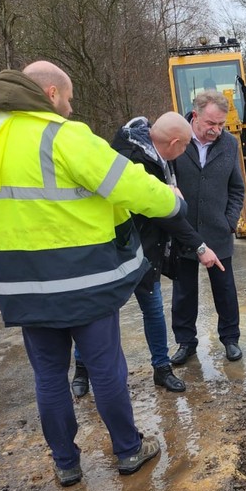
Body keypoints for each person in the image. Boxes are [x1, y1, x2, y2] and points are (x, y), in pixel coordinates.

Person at [0, 60, 193, 487]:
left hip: (20, 286)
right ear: (52, 94)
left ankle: (65, 462)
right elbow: (127, 182)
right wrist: (173, 203)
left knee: (48, 375)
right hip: (85, 282)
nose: (73, 108)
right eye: (70, 98)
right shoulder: (63, 136)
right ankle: (129, 450)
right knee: (105, 369)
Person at [69, 112, 221, 398]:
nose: (184, 153)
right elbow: (165, 215)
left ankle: (161, 368)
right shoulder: (132, 159)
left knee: (152, 308)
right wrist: (199, 244)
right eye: (184, 146)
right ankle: (82, 368)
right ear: (174, 142)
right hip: (117, 246)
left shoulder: (158, 155)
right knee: (100, 312)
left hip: (146, 247)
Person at [168, 90, 246, 365]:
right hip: (183, 230)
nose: (216, 130)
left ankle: (230, 339)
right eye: (211, 124)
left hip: (217, 230)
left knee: (225, 289)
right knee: (184, 292)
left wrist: (229, 221)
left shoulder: (229, 144)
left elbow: (237, 188)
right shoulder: (176, 139)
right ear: (195, 115)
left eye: (221, 124)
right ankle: (186, 343)